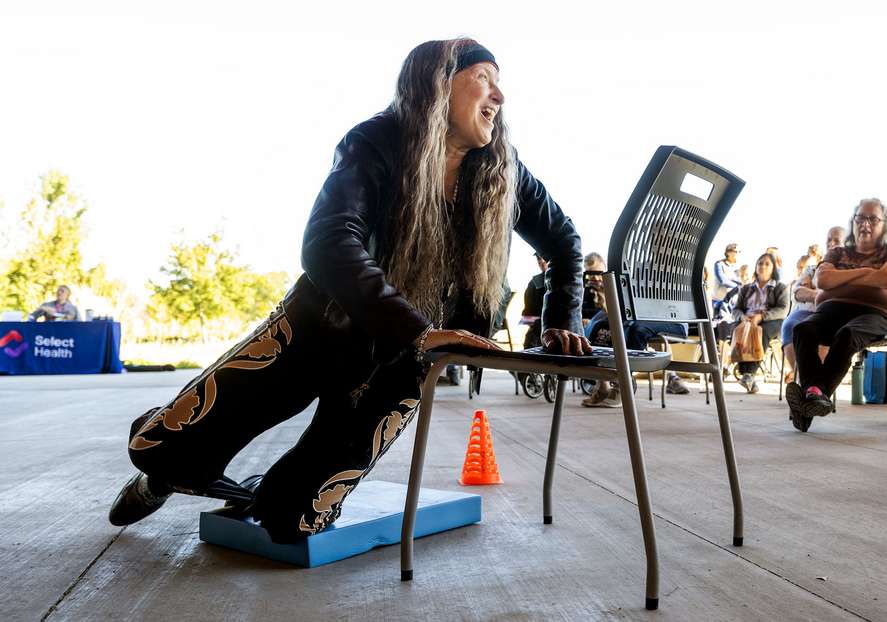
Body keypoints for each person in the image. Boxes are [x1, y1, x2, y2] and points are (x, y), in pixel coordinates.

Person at [108, 39, 591, 541]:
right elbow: (327, 243)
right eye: (485, 77)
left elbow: (564, 241)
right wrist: (417, 331)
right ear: (436, 82)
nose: (500, 95)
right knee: (158, 446)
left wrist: (561, 321)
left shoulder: (504, 166)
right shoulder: (376, 141)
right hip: (322, 326)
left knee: (296, 518)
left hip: (405, 360)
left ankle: (271, 491)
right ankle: (165, 475)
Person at [786, 200, 887, 431]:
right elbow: (822, 281)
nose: (865, 224)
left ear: (885, 224)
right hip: (832, 310)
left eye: (872, 219)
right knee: (802, 329)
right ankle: (813, 396)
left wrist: (842, 279)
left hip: (879, 314)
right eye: (859, 218)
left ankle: (812, 395)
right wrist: (869, 274)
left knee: (848, 333)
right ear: (852, 222)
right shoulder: (837, 252)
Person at [781, 226, 846, 381]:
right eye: (828, 240)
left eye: (836, 240)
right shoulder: (813, 268)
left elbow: (841, 295)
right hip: (805, 310)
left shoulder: (848, 270)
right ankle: (803, 380)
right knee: (790, 325)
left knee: (821, 331)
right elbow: (796, 293)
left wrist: (812, 291)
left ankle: (811, 383)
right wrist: (819, 294)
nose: (831, 243)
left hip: (831, 313)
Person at [731, 253, 788, 393]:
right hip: (748, 319)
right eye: (760, 263)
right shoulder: (746, 288)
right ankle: (749, 379)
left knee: (759, 331)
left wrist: (761, 316)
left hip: (770, 321)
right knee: (738, 330)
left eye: (767, 264)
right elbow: (736, 309)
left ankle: (748, 374)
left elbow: (783, 309)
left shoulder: (780, 287)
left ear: (773, 268)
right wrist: (742, 317)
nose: (763, 266)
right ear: (756, 267)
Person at [521, 253, 549, 348]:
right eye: (538, 258)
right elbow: (526, 317)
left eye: (544, 257)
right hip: (538, 334)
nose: (541, 261)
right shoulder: (533, 284)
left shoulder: (570, 281)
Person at [711, 243, 741, 309]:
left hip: (732, 302)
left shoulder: (738, 267)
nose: (738, 253)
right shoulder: (719, 264)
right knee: (719, 319)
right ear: (728, 252)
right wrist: (738, 287)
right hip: (719, 301)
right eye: (736, 251)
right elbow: (723, 281)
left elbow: (741, 282)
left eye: (739, 251)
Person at [581, 252, 606, 320]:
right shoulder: (581, 293)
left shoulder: (611, 293)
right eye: (591, 274)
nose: (596, 278)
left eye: (599, 274)